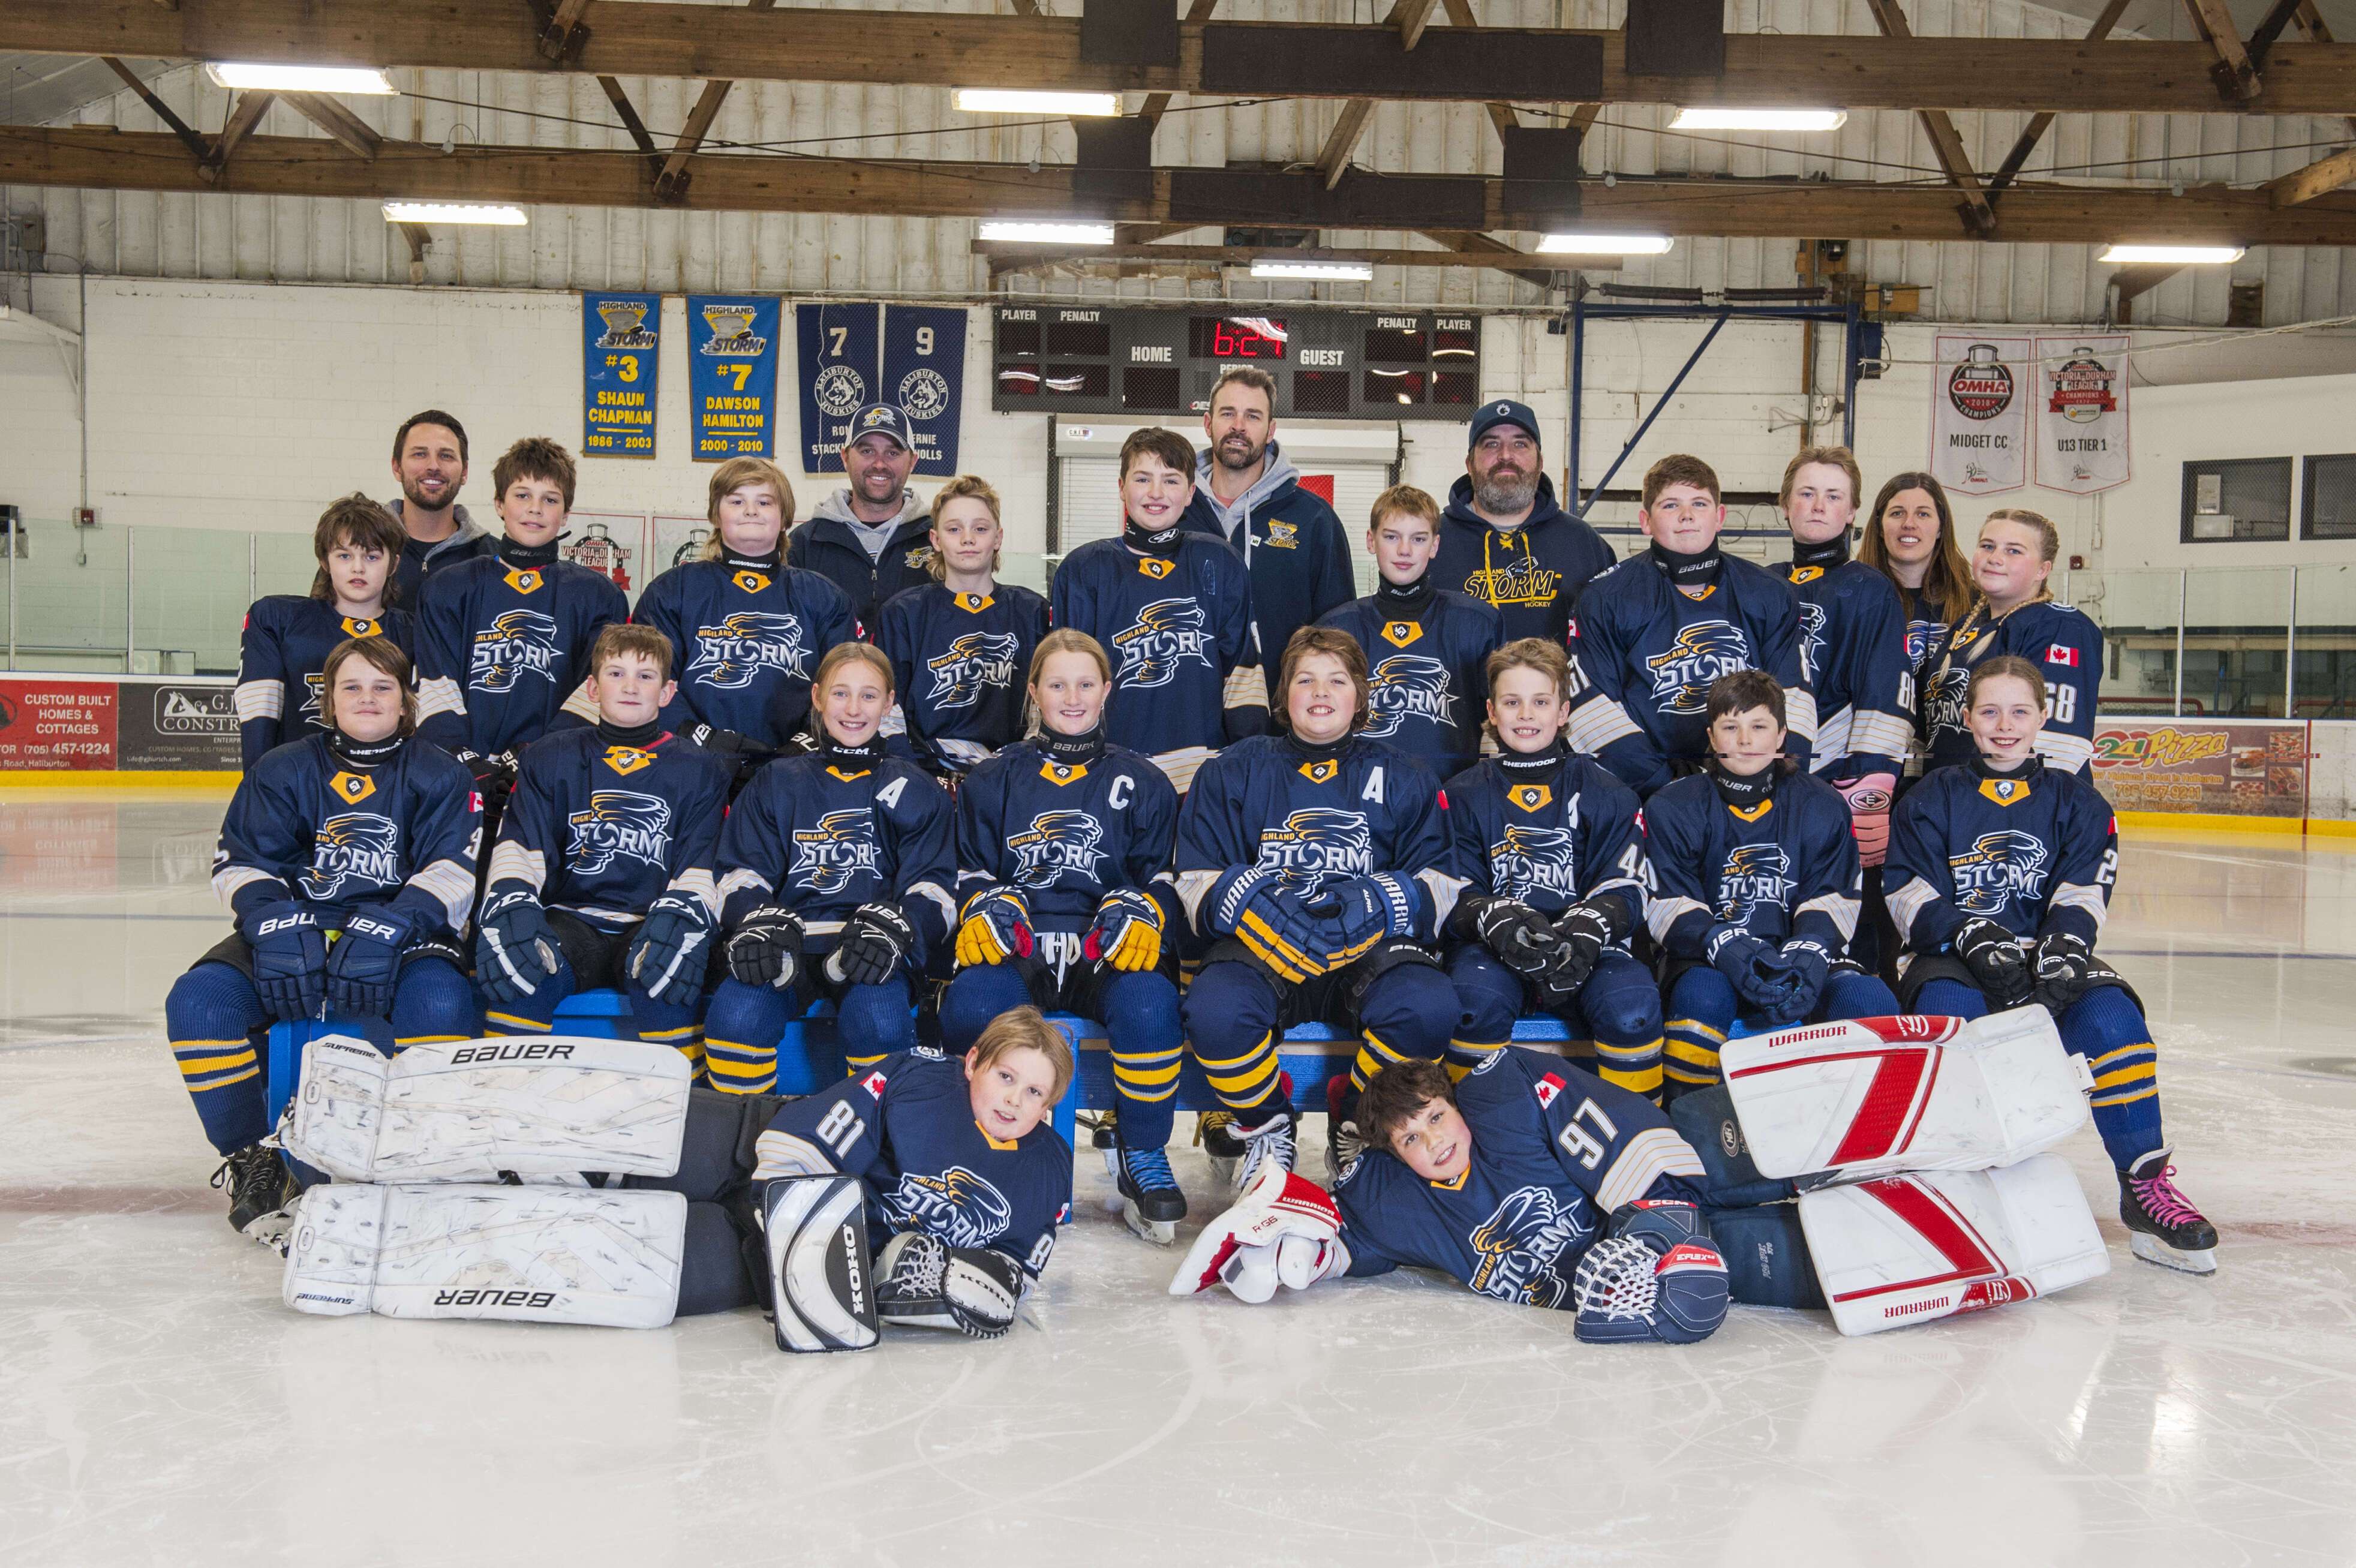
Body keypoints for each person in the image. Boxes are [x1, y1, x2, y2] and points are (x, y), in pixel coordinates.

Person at [283, 1009, 1074, 1342]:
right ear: (974, 1061)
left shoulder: (1046, 1170)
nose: (1015, 1100)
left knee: (599, 1250)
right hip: (752, 1146)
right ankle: (366, 1127)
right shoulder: (920, 1080)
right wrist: (786, 1216)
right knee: (591, 1131)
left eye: (1036, 1093)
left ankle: (376, 1242)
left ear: (1051, 1106)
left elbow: (1012, 1273)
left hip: (790, 1257)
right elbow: (802, 1146)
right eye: (1007, 1076)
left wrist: (951, 1290)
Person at [1885, 656, 2216, 1273]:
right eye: (1989, 711)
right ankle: (1952, 1191)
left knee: (2113, 1022)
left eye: (2019, 712)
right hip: (1951, 958)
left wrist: (2065, 944)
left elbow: (2084, 889)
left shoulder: (2077, 800)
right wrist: (1966, 932)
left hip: (2042, 954)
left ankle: (2144, 1185)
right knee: (1950, 1025)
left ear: (2043, 717)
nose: (2004, 726)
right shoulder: (1928, 797)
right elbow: (1907, 891)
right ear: (1967, 718)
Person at [166, 636, 480, 1233]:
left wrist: (391, 926)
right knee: (201, 1003)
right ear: (328, 699)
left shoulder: (441, 773)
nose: (368, 698)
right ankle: (255, 1159)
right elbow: (242, 863)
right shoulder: (282, 767)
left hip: (404, 930)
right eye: (351, 687)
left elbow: (452, 872)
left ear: (406, 699)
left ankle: (420, 1156)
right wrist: (276, 924)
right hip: (300, 923)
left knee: (442, 1001)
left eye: (383, 686)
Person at [1170, 1052, 1802, 1347]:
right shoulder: (1396, 1203)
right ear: (1395, 1155)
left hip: (1657, 1211)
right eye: (1411, 1139)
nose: (1434, 1141)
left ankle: (1810, 1138)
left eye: (1436, 1117)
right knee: (1736, 1272)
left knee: (1716, 1167)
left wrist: (1658, 1224)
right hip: (1650, 1283)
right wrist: (1310, 1254)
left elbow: (1606, 1122)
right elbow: (1348, 1241)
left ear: (1455, 1105)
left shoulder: (1504, 1110)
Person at [1174, 626, 1459, 1186]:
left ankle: (1354, 1119)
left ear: (1360, 694)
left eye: (1337, 680)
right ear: (1284, 693)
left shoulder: (1406, 774)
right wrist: (1261, 906)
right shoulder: (1232, 769)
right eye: (1305, 679)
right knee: (1215, 1012)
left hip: (1368, 954)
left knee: (1428, 1006)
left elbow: (1442, 884)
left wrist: (1375, 901)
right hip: (1265, 951)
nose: (1321, 692)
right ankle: (1268, 1125)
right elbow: (1194, 880)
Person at [941, 630, 1185, 1240]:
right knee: (971, 1003)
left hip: (1102, 949)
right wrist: (988, 903)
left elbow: (1165, 879)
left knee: (1151, 1002)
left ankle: (1142, 1149)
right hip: (1019, 946)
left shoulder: (1144, 780)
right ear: (1033, 691)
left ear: (1106, 690)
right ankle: (971, 1151)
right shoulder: (992, 778)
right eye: (1056, 684)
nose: (1071, 698)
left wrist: (1141, 906)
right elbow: (966, 871)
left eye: (1084, 684)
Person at [473, 624, 733, 1068]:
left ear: (667, 693)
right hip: (571, 919)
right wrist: (513, 901)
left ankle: (686, 1109)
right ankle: (504, 1102)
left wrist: (682, 915)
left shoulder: (701, 767)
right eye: (616, 674)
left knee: (667, 978)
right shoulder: (550, 756)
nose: (630, 687)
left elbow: (700, 861)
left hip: (651, 921)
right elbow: (522, 844)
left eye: (645, 676)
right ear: (593, 688)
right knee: (521, 973)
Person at [704, 642, 957, 1094]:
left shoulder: (918, 788)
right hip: (789, 945)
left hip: (876, 951)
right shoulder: (777, 780)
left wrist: (899, 926)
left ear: (889, 703)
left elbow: (934, 887)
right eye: (841, 694)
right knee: (738, 1014)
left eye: (868, 695)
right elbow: (741, 871)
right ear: (817, 697)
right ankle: (747, 1137)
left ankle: (874, 1135)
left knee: (879, 1020)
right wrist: (755, 919)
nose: (854, 709)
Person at [1643, 671, 1901, 1100]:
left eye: (1759, 726)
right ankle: (1690, 1120)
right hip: (1709, 959)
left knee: (1868, 1000)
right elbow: (1669, 899)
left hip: (1796, 950)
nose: (1745, 740)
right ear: (1711, 736)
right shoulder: (1673, 804)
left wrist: (1809, 952)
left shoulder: (1821, 803)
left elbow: (1833, 893)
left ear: (1781, 735)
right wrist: (1725, 945)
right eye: (1731, 726)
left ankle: (1858, 1126)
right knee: (1702, 999)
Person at [1437, 639, 1664, 1102]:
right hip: (1493, 953)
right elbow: (1450, 892)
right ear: (1491, 711)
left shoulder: (1608, 791)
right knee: (1472, 1005)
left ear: (1563, 712)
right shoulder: (1460, 794)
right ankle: (1482, 1134)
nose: (1526, 715)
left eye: (1540, 702)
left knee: (1632, 1011)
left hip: (1590, 952)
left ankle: (1639, 1133)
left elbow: (1628, 889)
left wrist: (1592, 925)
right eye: (1512, 702)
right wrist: (1490, 917)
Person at [1564, 453, 1816, 796]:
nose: (1687, 515)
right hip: (1647, 793)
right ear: (1645, 521)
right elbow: (1591, 706)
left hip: (1752, 787)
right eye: (1670, 505)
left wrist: (1766, 778)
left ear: (1720, 517)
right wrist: (1663, 784)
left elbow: (1794, 699)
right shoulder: (1604, 598)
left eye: (1699, 503)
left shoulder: (1770, 593)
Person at [1049, 426, 1267, 792]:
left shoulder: (1219, 561)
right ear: (1122, 487)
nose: (1155, 493)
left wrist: (1247, 767)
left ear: (1191, 492)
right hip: (1110, 773)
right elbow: (1062, 680)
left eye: (1171, 480)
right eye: (1142, 479)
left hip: (1202, 776)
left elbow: (1242, 675)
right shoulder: (1084, 569)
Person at [415, 437, 627, 805]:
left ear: (566, 514)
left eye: (550, 499)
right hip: (460, 776)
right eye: (522, 495)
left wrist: (538, 757)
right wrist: (467, 762)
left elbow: (595, 689)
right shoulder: (447, 587)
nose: (535, 509)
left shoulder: (599, 595)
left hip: (553, 777)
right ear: (499, 504)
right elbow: (434, 683)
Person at [631, 457, 858, 790]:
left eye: (765, 502)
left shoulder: (825, 597)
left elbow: (846, 686)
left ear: (785, 517)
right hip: (689, 770)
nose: (751, 511)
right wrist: (705, 740)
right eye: (737, 501)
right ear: (715, 514)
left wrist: (804, 746)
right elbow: (648, 680)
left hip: (795, 776)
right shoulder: (671, 590)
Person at [1179, 365, 1355, 702]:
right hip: (1186, 711)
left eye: (1253, 416)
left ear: (1271, 430)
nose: (1238, 426)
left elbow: (1337, 637)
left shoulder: (1314, 519)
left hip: (1279, 716)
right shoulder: (1176, 513)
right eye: (1228, 413)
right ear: (1208, 423)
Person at [1778, 447, 1914, 869]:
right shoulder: (1760, 583)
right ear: (1785, 505)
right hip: (1761, 772)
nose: (1819, 506)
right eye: (1807, 493)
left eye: (1834, 496)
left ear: (1853, 511)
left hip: (1832, 777)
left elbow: (1885, 692)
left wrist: (1869, 786)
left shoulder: (1871, 589)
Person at [1315, 483, 1503, 783]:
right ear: (1371, 540)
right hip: (1358, 795)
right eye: (1391, 537)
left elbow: (1501, 720)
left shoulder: (1477, 622)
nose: (1404, 550)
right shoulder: (1336, 628)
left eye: (1418, 539)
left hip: (1451, 795)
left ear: (1435, 545)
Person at [873, 476, 1051, 780]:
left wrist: (1020, 767)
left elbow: (1046, 704)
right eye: (954, 529)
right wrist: (914, 772)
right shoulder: (903, 613)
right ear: (935, 539)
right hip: (926, 776)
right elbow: (887, 706)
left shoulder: (1033, 612)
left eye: (980, 529)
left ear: (998, 538)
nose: (968, 539)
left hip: (1010, 777)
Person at [235, 494, 416, 771]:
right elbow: (259, 715)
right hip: (299, 782)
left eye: (372, 556)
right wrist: (259, 783)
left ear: (393, 564)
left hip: (388, 786)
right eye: (344, 556)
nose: (358, 568)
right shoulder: (279, 621)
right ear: (324, 561)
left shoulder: (414, 633)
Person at [1916, 509, 2103, 776]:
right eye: (1987, 546)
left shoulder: (2060, 627)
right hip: (1949, 793)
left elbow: (2055, 747)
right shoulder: (1966, 626)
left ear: (2042, 569)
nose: (1995, 558)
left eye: (2013, 551)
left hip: (2005, 799)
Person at [1432, 399, 1613, 645]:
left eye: (1520, 444)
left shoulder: (1583, 542)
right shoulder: (1432, 542)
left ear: (1540, 463)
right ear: (1470, 465)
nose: (1506, 455)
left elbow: (1612, 636)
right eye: (1491, 444)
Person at [786, 402, 931, 629]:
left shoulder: (937, 540)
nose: (879, 464)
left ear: (912, 461)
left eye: (892, 453)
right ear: (845, 457)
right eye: (867, 451)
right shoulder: (804, 543)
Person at [1858, 470, 1973, 676]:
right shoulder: (1855, 597)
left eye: (1923, 514)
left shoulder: (1973, 600)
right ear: (1880, 527)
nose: (1909, 524)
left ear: (1940, 528)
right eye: (1897, 513)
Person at [386, 409, 495, 606]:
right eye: (420, 454)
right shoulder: (359, 550)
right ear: (397, 467)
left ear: (465, 472)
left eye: (446, 456)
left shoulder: (494, 559)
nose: (433, 466)